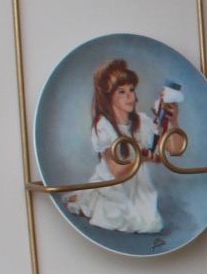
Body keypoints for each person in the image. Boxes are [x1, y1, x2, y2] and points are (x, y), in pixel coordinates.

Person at [64, 58, 164, 237]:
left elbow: (171, 148)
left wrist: (171, 121)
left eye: (131, 90)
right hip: (113, 182)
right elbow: (116, 171)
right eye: (121, 92)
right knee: (121, 217)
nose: (129, 96)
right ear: (108, 96)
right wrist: (141, 158)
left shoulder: (141, 121)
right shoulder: (103, 126)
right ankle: (86, 199)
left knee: (150, 223)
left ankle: (88, 200)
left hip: (137, 184)